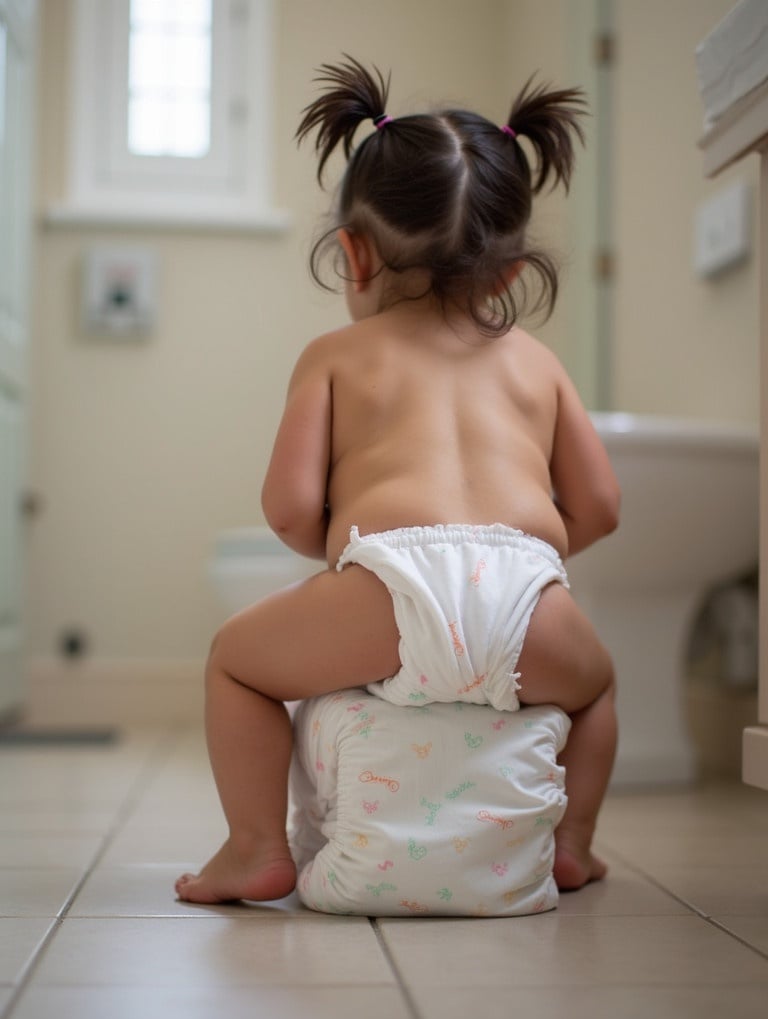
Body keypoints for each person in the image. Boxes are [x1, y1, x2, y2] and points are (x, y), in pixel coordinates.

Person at [175, 56, 620, 906]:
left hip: (394, 580)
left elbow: (290, 508)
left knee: (235, 663)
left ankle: (255, 846)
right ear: (513, 273)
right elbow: (599, 508)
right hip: (526, 592)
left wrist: (345, 552)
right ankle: (574, 844)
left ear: (353, 252)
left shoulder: (336, 356)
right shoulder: (538, 364)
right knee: (597, 687)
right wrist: (523, 564)